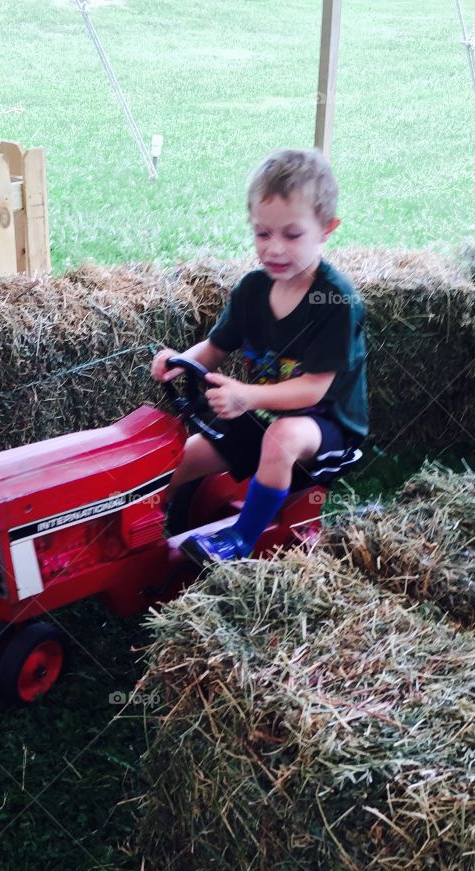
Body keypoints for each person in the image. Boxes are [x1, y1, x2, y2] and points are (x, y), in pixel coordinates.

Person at [151, 147, 369, 563]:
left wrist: (247, 396)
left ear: (327, 228)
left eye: (292, 235)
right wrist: (180, 360)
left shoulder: (334, 301)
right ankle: (142, 540)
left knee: (281, 439)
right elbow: (214, 350)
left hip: (327, 425)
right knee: (180, 458)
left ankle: (241, 540)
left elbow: (312, 389)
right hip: (262, 413)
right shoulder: (253, 290)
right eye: (262, 234)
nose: (274, 248)